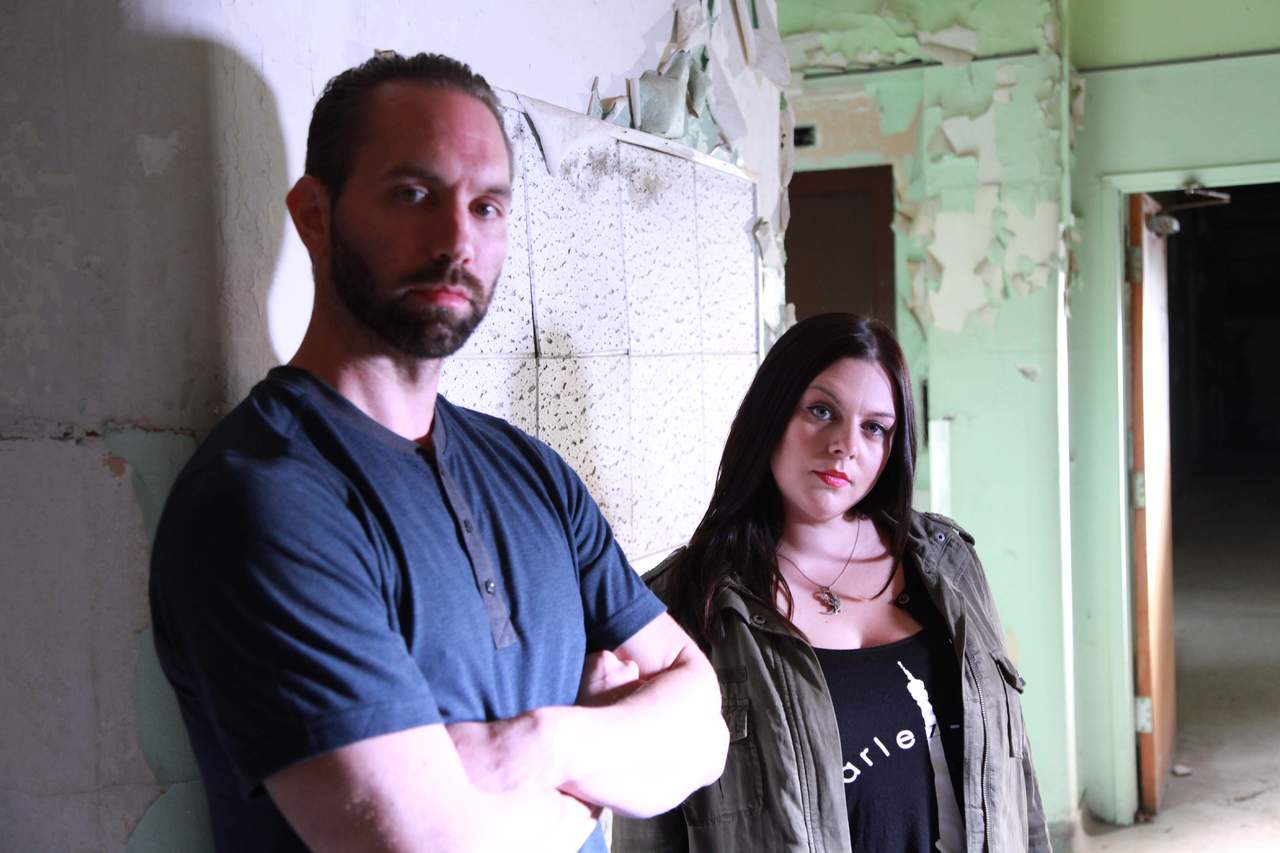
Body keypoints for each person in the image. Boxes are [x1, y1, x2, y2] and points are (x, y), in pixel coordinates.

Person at [149, 52, 727, 853]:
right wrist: (596, 790)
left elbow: (704, 730)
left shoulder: (533, 474)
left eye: (486, 206)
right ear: (314, 215)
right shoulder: (266, 499)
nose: (457, 238)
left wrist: (540, 744)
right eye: (413, 194)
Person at [613, 313, 1050, 852]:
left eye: (874, 428)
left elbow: (1015, 781)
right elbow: (649, 833)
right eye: (821, 411)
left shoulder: (948, 562)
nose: (846, 445)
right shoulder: (682, 604)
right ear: (772, 414)